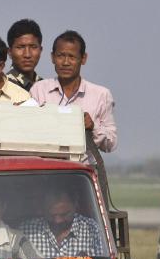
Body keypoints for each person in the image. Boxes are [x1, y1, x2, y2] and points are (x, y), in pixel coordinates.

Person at [29, 30, 117, 163]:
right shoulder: (39, 90)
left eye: (72, 57)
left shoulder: (101, 95)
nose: (65, 62)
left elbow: (111, 144)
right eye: (60, 56)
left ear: (83, 59)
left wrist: (93, 128)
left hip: (80, 175)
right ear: (52, 57)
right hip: (45, 172)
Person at [19, 187, 107, 258]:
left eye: (64, 214)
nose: (58, 221)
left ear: (75, 205)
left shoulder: (91, 230)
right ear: (43, 209)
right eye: (52, 215)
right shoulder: (26, 231)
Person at [6, 19, 44, 92]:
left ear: (40, 50)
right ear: (10, 52)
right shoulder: (3, 86)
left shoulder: (46, 87)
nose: (27, 54)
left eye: (33, 47)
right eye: (20, 47)